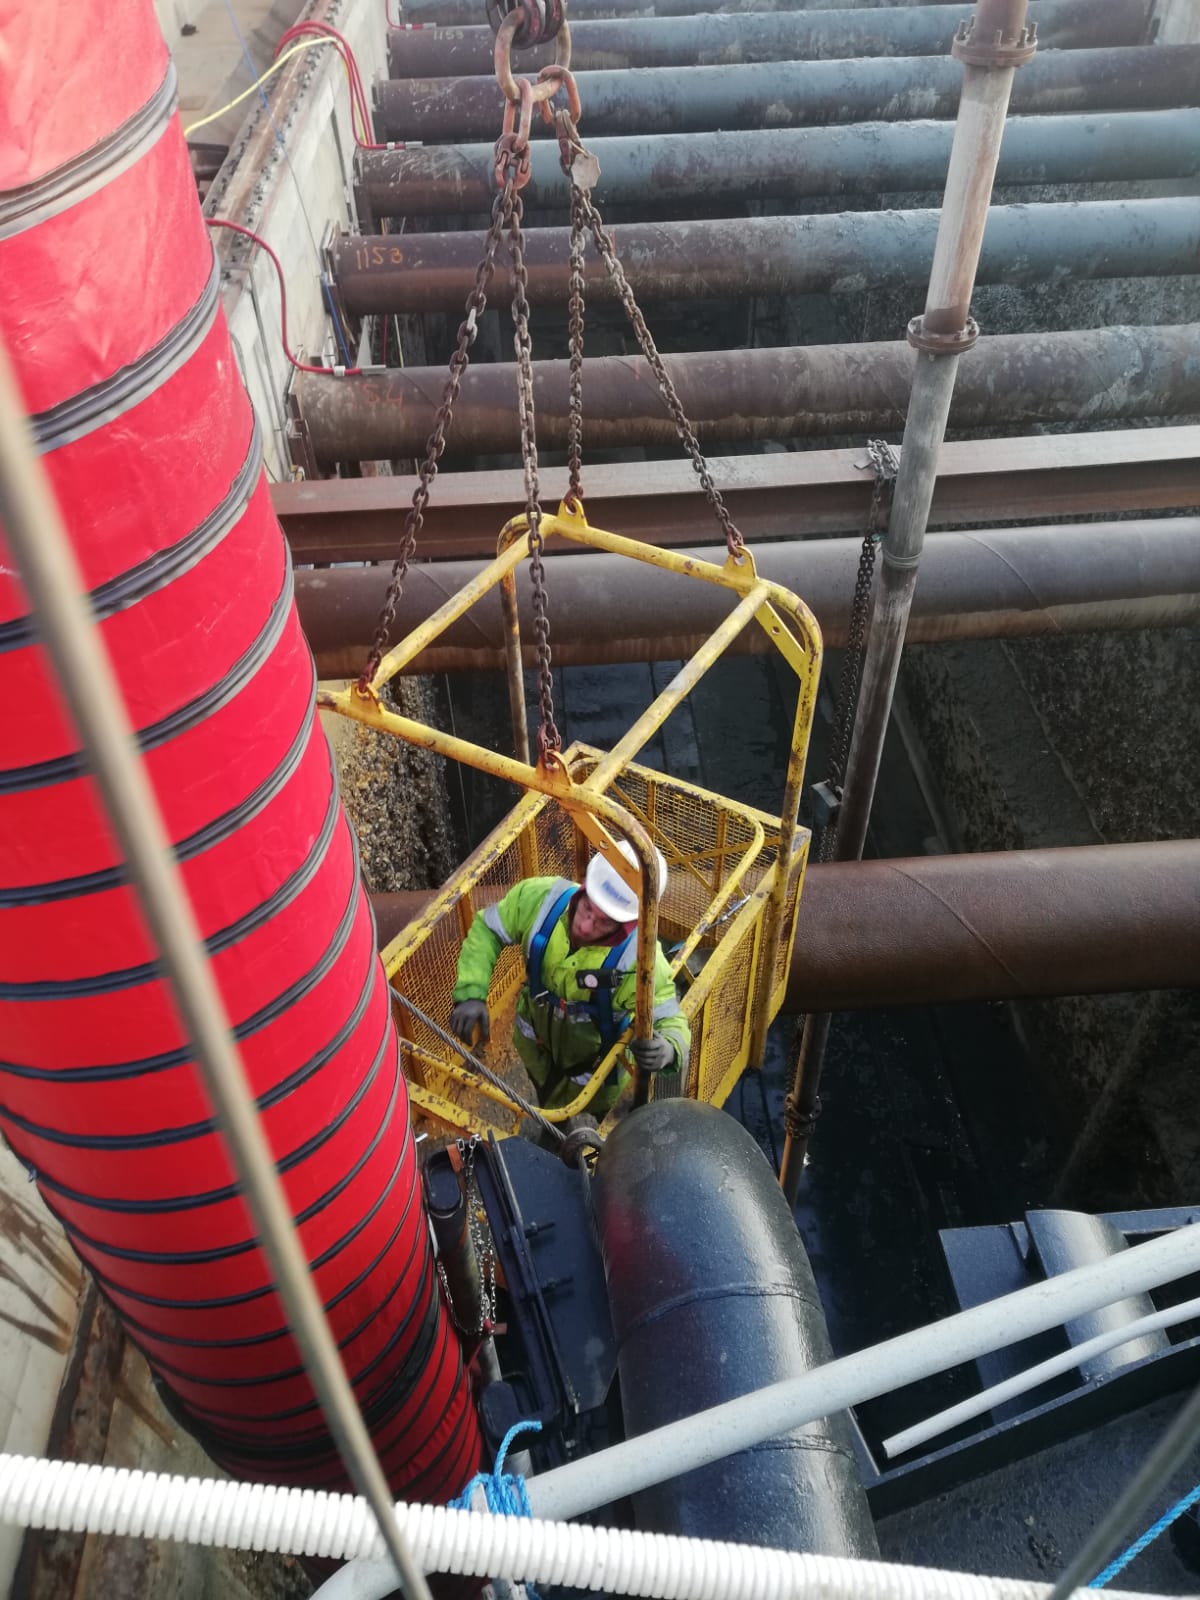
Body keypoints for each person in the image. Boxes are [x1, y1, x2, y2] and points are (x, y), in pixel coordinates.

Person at [449, 841, 690, 1116]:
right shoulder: (541, 899)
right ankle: (550, 1118)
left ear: (629, 924)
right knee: (546, 1098)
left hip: (593, 1074)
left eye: (604, 922)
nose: (586, 926)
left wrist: (669, 1050)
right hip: (535, 1045)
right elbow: (488, 928)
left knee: (584, 1123)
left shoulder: (642, 963)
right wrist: (471, 992)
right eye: (588, 908)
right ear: (587, 886)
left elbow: (671, 1020)